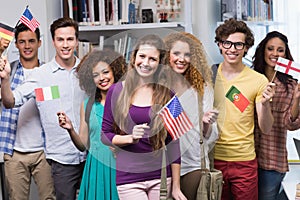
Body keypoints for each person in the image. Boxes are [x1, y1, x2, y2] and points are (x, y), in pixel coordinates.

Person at [0, 17, 86, 200]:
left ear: (77, 41)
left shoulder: (88, 70)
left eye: (70, 39)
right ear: (53, 41)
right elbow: (11, 101)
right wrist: (5, 79)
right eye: (60, 39)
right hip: (59, 159)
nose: (65, 44)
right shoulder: (41, 75)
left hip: (88, 154)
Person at [101, 34, 187, 200]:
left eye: (152, 59)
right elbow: (105, 135)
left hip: (161, 177)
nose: (146, 63)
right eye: (142, 56)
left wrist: (176, 187)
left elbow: (174, 143)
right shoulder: (116, 91)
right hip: (128, 178)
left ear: (159, 64)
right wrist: (130, 138)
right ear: (134, 58)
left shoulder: (168, 95)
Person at [213, 18, 275, 200]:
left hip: (244, 160)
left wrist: (264, 104)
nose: (232, 49)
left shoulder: (258, 80)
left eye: (239, 44)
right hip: (214, 159)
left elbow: (266, 127)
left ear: (246, 47)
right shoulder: (208, 75)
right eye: (227, 43)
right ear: (219, 45)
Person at [57, 49, 127, 200]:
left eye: (105, 72)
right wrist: (70, 129)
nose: (102, 78)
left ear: (114, 72)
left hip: (121, 166)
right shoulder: (87, 105)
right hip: (96, 168)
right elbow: (83, 145)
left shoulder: (126, 101)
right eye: (96, 75)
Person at [0, 23, 55, 200]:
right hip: (14, 151)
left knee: (49, 198)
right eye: (22, 42)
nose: (27, 46)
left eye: (31, 41)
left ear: (39, 43)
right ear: (16, 44)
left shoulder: (49, 73)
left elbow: (55, 99)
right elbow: (6, 100)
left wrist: (30, 93)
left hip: (45, 151)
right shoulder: (7, 71)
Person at [164, 31, 219, 200]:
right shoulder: (157, 86)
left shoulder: (202, 89)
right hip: (162, 165)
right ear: (167, 55)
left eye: (187, 54)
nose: (182, 59)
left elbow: (212, 136)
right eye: (176, 53)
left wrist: (206, 123)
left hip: (192, 164)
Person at [252, 31, 300, 200]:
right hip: (246, 157)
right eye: (270, 48)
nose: (275, 54)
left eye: (280, 50)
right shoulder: (250, 79)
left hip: (272, 161)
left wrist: (296, 100)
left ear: (285, 54)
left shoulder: (291, 86)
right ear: (263, 50)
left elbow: (291, 124)